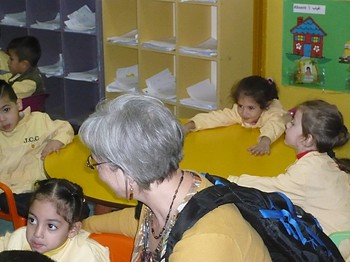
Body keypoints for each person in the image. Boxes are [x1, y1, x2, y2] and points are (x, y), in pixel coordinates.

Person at [79, 94, 271, 261]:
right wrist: (84, 225)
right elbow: (140, 222)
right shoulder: (169, 188)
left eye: (95, 164)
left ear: (128, 173)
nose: (96, 171)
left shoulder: (203, 244)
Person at [227, 99, 350, 260]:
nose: (287, 126)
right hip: (343, 235)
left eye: (293, 123)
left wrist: (231, 179)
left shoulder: (307, 170)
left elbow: (272, 187)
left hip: (335, 244)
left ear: (307, 139)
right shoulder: (323, 160)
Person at [0, 80, 74, 218]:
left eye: (6, 109)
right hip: (12, 192)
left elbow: (65, 127)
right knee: (18, 204)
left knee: (75, 202)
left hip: (42, 184)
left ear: (18, 104)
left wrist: (57, 140)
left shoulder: (38, 120)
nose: (2, 119)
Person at [0, 178, 110, 262]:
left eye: (51, 226)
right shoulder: (18, 239)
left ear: (73, 229)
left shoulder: (86, 257)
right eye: (32, 220)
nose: (37, 234)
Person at [183, 75, 291, 156]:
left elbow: (275, 124)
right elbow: (218, 117)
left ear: (265, 105)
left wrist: (265, 141)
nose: (243, 113)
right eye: (240, 106)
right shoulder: (239, 112)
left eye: (251, 108)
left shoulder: (273, 112)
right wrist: (190, 125)